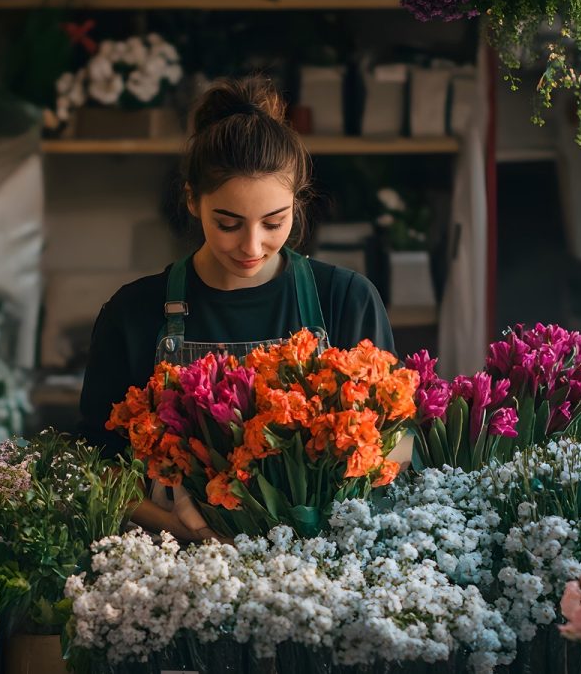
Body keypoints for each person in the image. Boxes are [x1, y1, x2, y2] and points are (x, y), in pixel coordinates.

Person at [78, 75, 395, 541]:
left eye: (274, 222)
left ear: (298, 202)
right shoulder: (134, 312)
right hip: (177, 562)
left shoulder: (346, 300)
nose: (251, 246)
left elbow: (396, 442)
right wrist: (175, 526)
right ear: (192, 200)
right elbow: (95, 464)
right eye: (227, 223)